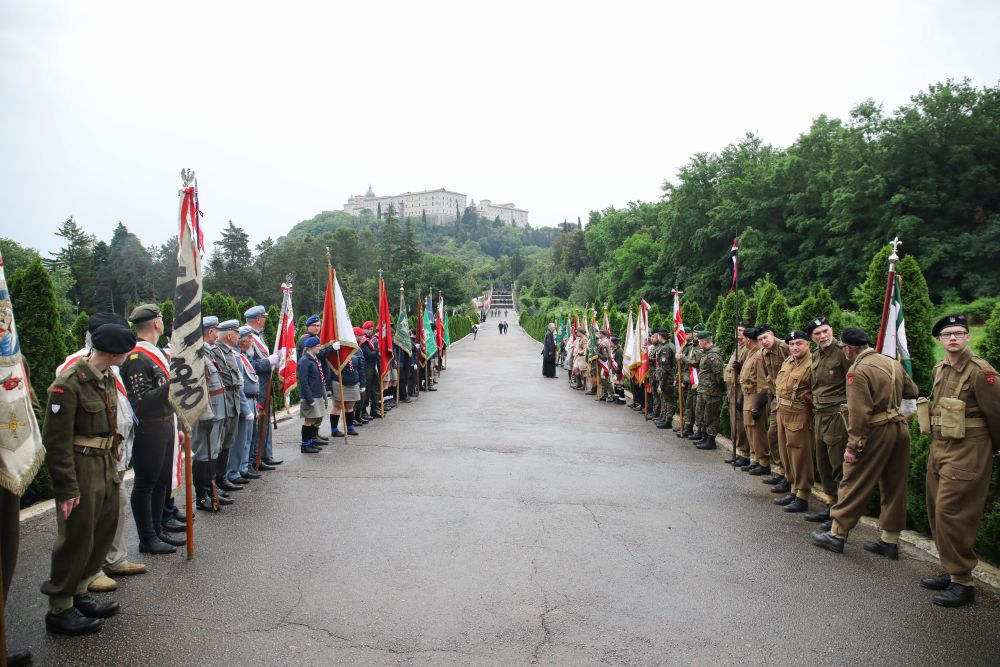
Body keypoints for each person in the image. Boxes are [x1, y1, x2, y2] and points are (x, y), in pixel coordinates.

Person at [40, 322, 135, 636]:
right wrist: (66, 487)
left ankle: (80, 592)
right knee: (76, 537)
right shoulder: (68, 383)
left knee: (101, 531)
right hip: (81, 468)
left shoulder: (105, 377)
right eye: (124, 350)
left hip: (105, 464)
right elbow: (55, 441)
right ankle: (60, 607)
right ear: (110, 352)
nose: (127, 355)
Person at [811, 327, 918, 558]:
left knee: (853, 481)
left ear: (849, 349)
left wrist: (853, 446)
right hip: (899, 428)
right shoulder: (891, 363)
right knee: (894, 485)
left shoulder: (857, 371)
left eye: (844, 348)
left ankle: (837, 534)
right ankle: (890, 540)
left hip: (876, 430)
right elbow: (913, 391)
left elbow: (859, 414)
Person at [920, 314, 1000, 607]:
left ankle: (963, 581)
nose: (952, 338)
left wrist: (993, 450)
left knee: (952, 513)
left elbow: (997, 414)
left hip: (968, 448)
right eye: (946, 334)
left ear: (968, 337)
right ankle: (950, 568)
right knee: (936, 512)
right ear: (940, 340)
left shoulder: (981, 372)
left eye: (958, 333)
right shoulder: (940, 368)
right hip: (940, 447)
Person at [121, 304, 183, 554]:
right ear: (156, 323)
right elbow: (143, 401)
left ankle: (158, 531)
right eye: (161, 318)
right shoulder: (137, 357)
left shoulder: (154, 353)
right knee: (147, 483)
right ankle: (147, 538)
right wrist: (174, 383)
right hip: (149, 428)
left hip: (166, 424)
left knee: (161, 483)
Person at [805, 316, 853, 528]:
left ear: (831, 330)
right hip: (820, 414)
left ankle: (841, 512)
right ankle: (830, 503)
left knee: (837, 464)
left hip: (837, 415)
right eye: (817, 334)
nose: (823, 336)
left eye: (825, 331)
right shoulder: (816, 355)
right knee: (823, 462)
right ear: (812, 338)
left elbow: (854, 382)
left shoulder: (843, 352)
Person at [772, 330, 813, 512]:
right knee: (786, 453)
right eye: (792, 344)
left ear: (807, 345)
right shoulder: (789, 361)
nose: (794, 347)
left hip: (800, 415)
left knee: (800, 456)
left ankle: (803, 495)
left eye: (799, 343)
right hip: (782, 411)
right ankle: (794, 488)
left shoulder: (812, 364)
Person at [244, 305, 283, 470]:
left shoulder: (258, 336)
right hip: (257, 385)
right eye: (264, 317)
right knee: (258, 424)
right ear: (258, 319)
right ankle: (255, 459)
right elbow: (248, 365)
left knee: (265, 422)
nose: (265, 320)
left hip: (264, 384)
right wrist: (269, 362)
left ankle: (265, 455)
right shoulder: (246, 337)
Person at [227, 326, 261, 485]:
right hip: (244, 400)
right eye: (251, 339)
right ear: (245, 341)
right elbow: (239, 385)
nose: (253, 342)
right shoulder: (236, 356)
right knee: (240, 440)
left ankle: (243, 467)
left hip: (251, 400)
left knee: (248, 439)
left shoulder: (244, 356)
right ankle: (234, 471)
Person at [738, 326, 769, 474]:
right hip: (747, 394)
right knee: (750, 429)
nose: (741, 340)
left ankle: (763, 461)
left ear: (748, 340)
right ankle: (756, 458)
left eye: (743, 338)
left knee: (757, 431)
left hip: (755, 396)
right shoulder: (751, 353)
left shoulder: (758, 355)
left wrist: (757, 404)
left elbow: (762, 382)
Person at [724, 322, 753, 467]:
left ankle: (744, 454)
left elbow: (748, 372)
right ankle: (737, 452)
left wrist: (740, 368)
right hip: (732, 391)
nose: (738, 333)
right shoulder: (738, 348)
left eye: (741, 330)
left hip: (740, 390)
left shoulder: (747, 350)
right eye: (737, 330)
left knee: (741, 424)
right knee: (734, 424)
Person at [691, 330, 725, 450]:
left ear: (705, 341)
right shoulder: (707, 353)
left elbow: (719, 376)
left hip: (712, 392)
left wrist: (719, 390)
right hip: (704, 390)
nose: (698, 342)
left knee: (711, 416)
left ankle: (711, 440)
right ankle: (705, 437)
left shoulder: (713, 355)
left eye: (699, 340)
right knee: (703, 415)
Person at [297, 336, 331, 452]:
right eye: (318, 346)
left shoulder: (314, 359)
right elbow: (303, 381)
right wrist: (309, 398)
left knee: (313, 420)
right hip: (310, 396)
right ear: (311, 347)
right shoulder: (305, 361)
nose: (320, 348)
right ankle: (305, 445)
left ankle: (310, 442)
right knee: (309, 420)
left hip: (317, 394)